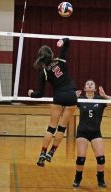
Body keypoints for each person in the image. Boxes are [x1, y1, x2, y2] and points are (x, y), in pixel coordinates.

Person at [28, 38, 77, 167]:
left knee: (51, 127)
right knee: (62, 127)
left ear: (41, 58)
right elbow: (68, 42)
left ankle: (42, 154)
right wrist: (62, 41)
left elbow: (40, 94)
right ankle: (51, 153)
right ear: (51, 54)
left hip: (59, 96)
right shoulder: (60, 60)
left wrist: (31, 93)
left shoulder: (43, 72)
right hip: (71, 95)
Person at [73, 79, 111, 188]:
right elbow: (66, 103)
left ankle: (100, 179)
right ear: (84, 88)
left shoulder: (100, 99)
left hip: (95, 132)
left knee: (101, 158)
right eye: (87, 84)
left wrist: (105, 95)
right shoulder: (81, 99)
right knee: (81, 158)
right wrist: (73, 96)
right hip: (82, 131)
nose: (89, 85)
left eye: (91, 84)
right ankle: (78, 178)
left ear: (95, 88)